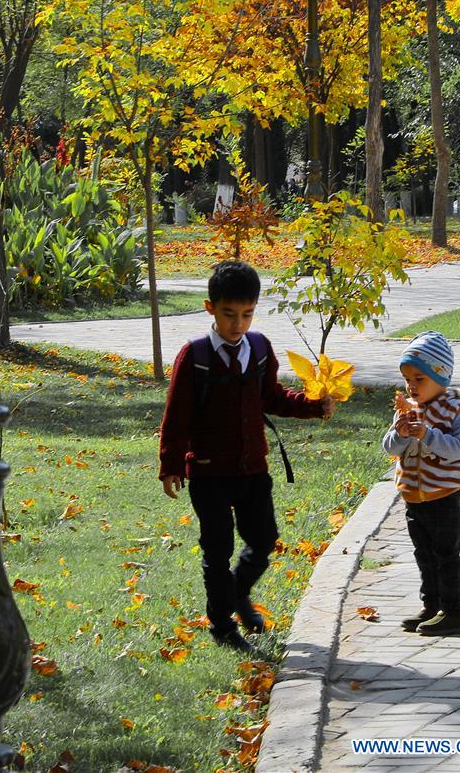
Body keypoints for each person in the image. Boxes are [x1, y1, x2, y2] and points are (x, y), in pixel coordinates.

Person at [159, 260, 334, 652]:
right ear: (210, 308)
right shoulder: (196, 356)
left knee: (265, 539)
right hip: (207, 473)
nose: (238, 324)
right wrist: (170, 463)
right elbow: (177, 416)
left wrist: (311, 405)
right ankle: (222, 626)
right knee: (217, 550)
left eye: (247, 314)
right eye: (229, 314)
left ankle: (236, 595)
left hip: (253, 468)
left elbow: (270, 397)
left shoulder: (259, 348)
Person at [382, 331, 460, 636]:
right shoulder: (409, 408)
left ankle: (455, 612)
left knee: (446, 554)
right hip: (413, 497)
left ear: (441, 376)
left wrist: (427, 434)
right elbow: (389, 448)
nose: (411, 385)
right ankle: (431, 605)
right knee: (423, 554)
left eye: (419, 378)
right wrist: (401, 433)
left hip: (443, 496)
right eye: (408, 378)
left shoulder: (456, 406)